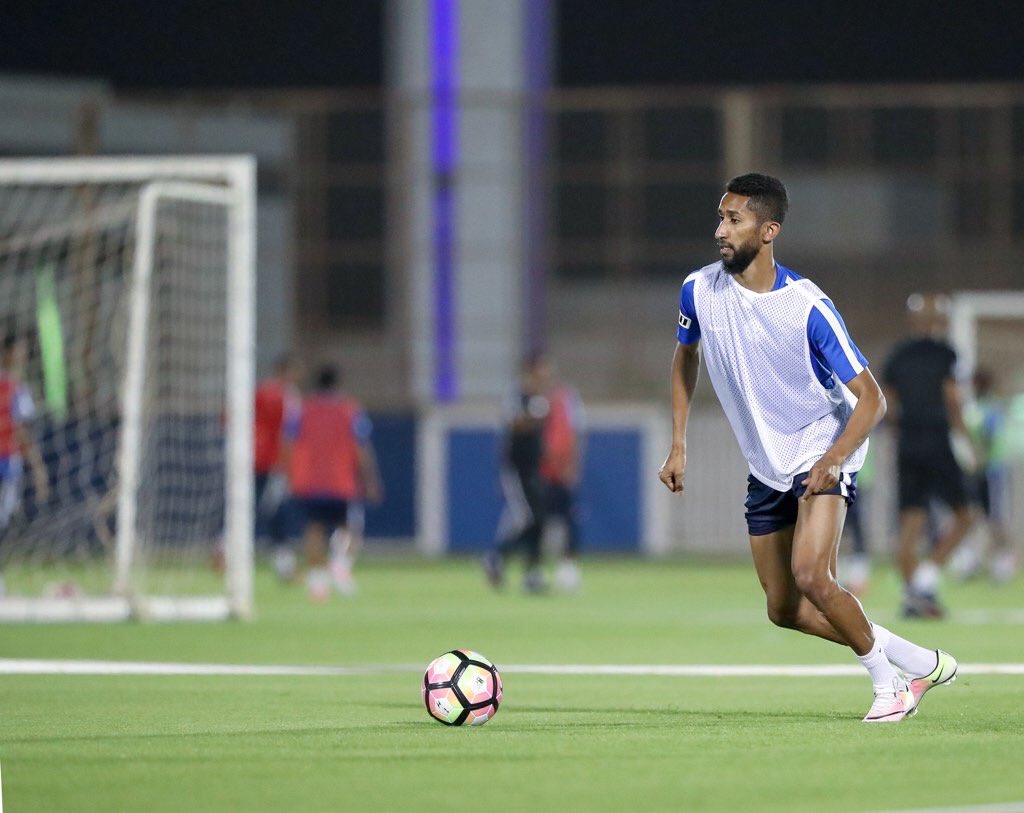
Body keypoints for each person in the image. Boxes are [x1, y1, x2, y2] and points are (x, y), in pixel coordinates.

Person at [659, 173, 956, 723]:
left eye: (734, 219)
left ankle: (888, 688)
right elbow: (685, 356)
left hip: (822, 447)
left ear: (768, 230)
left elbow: (871, 400)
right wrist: (679, 443)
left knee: (812, 576)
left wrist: (833, 458)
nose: (720, 229)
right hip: (766, 463)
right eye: (721, 217)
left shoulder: (806, 306)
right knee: (783, 609)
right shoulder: (697, 290)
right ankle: (917, 660)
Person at [882, 293, 974, 618]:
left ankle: (913, 597)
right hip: (936, 441)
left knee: (910, 523)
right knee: (966, 516)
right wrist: (967, 442)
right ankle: (925, 581)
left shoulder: (897, 355)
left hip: (908, 443)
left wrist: (901, 438)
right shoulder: (945, 353)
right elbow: (953, 400)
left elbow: (890, 407)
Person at [287, 364, 383, 601]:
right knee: (350, 528)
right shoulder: (349, 410)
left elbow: (288, 441)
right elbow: (361, 447)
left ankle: (318, 585)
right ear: (337, 384)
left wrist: (291, 472)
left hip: (309, 480)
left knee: (314, 529)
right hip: (340, 480)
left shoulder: (302, 410)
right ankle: (339, 563)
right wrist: (370, 479)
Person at [484, 353, 551, 593]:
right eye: (542, 371)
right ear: (531, 371)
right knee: (524, 517)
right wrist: (534, 417)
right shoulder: (518, 395)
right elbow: (514, 424)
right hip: (516, 468)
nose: (545, 377)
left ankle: (532, 573)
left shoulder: (538, 399)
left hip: (533, 468)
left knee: (540, 517)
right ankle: (497, 557)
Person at [952, 367, 1016, 583]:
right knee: (973, 515)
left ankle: (1003, 561)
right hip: (976, 472)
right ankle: (973, 560)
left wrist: (977, 456)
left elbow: (987, 439)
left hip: (992, 472)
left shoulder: (991, 408)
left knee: (995, 517)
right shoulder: (975, 408)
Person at [0, 332, 50, 595]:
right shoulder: (15, 388)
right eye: (16, 351)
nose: (20, 357)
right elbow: (21, 430)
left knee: (6, 521)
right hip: (6, 461)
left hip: (10, 462)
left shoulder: (18, 386)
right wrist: (38, 466)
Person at [254, 354, 302, 581]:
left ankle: (222, 548)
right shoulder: (288, 397)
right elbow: (288, 435)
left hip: (251, 460)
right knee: (277, 513)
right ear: (286, 371)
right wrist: (289, 467)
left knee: (252, 507)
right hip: (274, 464)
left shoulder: (260, 392)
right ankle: (285, 567)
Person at [540, 362, 586, 593]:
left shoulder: (567, 400)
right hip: (542, 473)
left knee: (570, 520)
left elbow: (574, 433)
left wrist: (572, 466)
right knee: (537, 519)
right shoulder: (536, 401)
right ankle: (535, 568)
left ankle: (568, 567)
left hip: (562, 471)